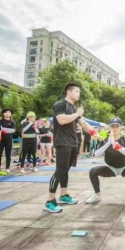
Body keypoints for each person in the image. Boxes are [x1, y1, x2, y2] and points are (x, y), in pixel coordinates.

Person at [45, 83, 98, 213]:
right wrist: (77, 113)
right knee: (60, 170)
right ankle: (50, 201)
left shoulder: (73, 108)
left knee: (65, 170)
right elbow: (62, 120)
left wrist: (94, 133)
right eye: (76, 91)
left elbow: (83, 123)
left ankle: (63, 195)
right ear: (69, 92)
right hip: (62, 142)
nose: (78, 94)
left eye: (79, 92)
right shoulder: (60, 104)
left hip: (73, 142)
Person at [86, 118, 125, 205]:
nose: (115, 128)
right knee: (93, 171)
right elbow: (97, 154)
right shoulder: (105, 140)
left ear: (121, 128)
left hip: (124, 167)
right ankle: (97, 194)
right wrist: (109, 143)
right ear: (110, 128)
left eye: (117, 126)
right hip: (111, 168)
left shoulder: (124, 140)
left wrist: (119, 147)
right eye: (112, 126)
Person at [0, 109, 16, 174]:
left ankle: (7, 168)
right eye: (6, 112)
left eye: (9, 112)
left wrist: (4, 130)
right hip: (1, 138)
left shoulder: (12, 122)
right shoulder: (0, 121)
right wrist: (7, 130)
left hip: (9, 138)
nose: (8, 113)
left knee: (8, 154)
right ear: (3, 114)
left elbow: (13, 130)